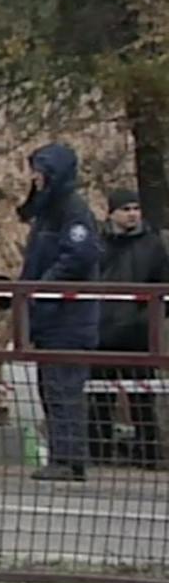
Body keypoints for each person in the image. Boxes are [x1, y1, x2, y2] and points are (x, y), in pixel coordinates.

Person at [17, 145, 101, 482]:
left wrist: (43, 285)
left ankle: (69, 458)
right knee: (51, 389)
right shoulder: (47, 214)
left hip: (70, 318)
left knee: (64, 390)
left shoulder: (73, 211)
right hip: (50, 318)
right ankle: (62, 455)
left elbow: (80, 255)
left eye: (40, 170)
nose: (34, 177)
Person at [87, 188, 165, 467]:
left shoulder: (153, 245)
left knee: (142, 396)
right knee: (99, 396)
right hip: (102, 329)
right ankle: (98, 451)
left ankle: (148, 452)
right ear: (112, 213)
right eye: (126, 209)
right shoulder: (97, 243)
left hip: (137, 332)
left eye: (135, 208)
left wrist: (148, 318)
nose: (132, 214)